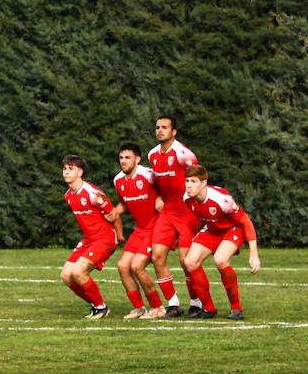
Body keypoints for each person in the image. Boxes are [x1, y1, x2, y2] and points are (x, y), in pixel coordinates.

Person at [182, 165, 261, 320]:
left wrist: (254, 253)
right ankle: (209, 309)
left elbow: (245, 221)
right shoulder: (187, 198)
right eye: (187, 181)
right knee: (190, 262)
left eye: (193, 181)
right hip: (212, 229)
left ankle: (236, 308)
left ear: (204, 183)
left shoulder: (221, 199)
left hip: (233, 228)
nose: (189, 185)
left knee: (220, 259)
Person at [146, 116, 198, 317]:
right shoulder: (152, 154)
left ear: (174, 132)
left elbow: (198, 178)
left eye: (164, 127)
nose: (160, 130)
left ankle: (196, 302)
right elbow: (159, 181)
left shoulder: (184, 154)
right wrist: (159, 195)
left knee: (186, 261)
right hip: (167, 212)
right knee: (157, 256)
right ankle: (174, 304)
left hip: (186, 212)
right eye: (157, 127)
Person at [60, 154, 122, 320]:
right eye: (65, 168)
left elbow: (113, 214)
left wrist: (119, 236)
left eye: (70, 169)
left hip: (105, 238)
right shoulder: (69, 196)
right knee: (66, 275)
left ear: (80, 172)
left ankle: (101, 308)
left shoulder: (93, 194)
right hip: (89, 240)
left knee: (79, 272)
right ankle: (96, 304)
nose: (66, 172)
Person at [112, 142, 166, 319]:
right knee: (122, 266)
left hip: (156, 228)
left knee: (136, 265)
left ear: (137, 159)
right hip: (140, 230)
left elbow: (168, 188)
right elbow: (125, 204)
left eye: (127, 157)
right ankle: (139, 308)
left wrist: (160, 196)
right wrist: (114, 212)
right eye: (121, 158)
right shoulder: (118, 180)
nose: (123, 161)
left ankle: (158, 307)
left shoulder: (149, 175)